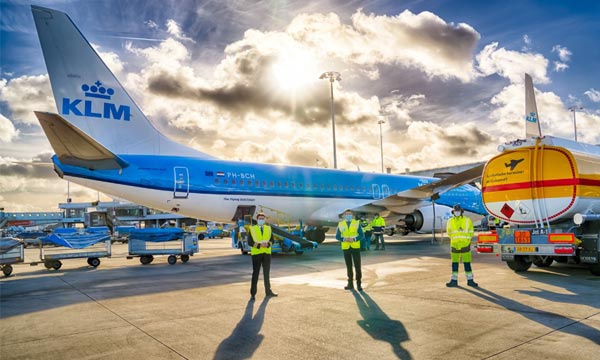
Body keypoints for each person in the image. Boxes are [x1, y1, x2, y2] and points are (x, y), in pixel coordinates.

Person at [248, 212, 278, 300]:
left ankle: (268, 291)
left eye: (262, 218)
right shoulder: (252, 229)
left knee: (266, 274)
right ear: (257, 220)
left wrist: (268, 244)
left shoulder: (268, 228)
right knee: (255, 274)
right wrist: (259, 245)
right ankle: (253, 294)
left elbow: (272, 240)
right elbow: (250, 242)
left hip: (266, 254)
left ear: (264, 220)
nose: (261, 220)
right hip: (256, 254)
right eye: (260, 218)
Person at [446, 204, 478, 287]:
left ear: (461, 212)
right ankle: (454, 280)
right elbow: (449, 232)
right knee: (454, 263)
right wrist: (454, 239)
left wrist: (467, 240)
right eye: (456, 211)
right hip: (455, 244)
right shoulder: (450, 221)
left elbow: (471, 232)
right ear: (453, 212)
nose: (457, 212)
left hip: (465, 244)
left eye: (458, 211)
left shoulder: (467, 220)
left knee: (467, 263)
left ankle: (470, 280)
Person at [336, 209, 365, 291]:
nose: (348, 216)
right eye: (347, 214)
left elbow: (361, 235)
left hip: (355, 247)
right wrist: (343, 239)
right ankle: (350, 284)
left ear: (352, 215)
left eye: (350, 214)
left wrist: (355, 239)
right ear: (344, 215)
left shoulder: (356, 223)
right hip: (346, 247)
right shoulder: (341, 224)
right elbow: (337, 236)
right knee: (349, 266)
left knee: (357, 266)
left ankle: (359, 284)